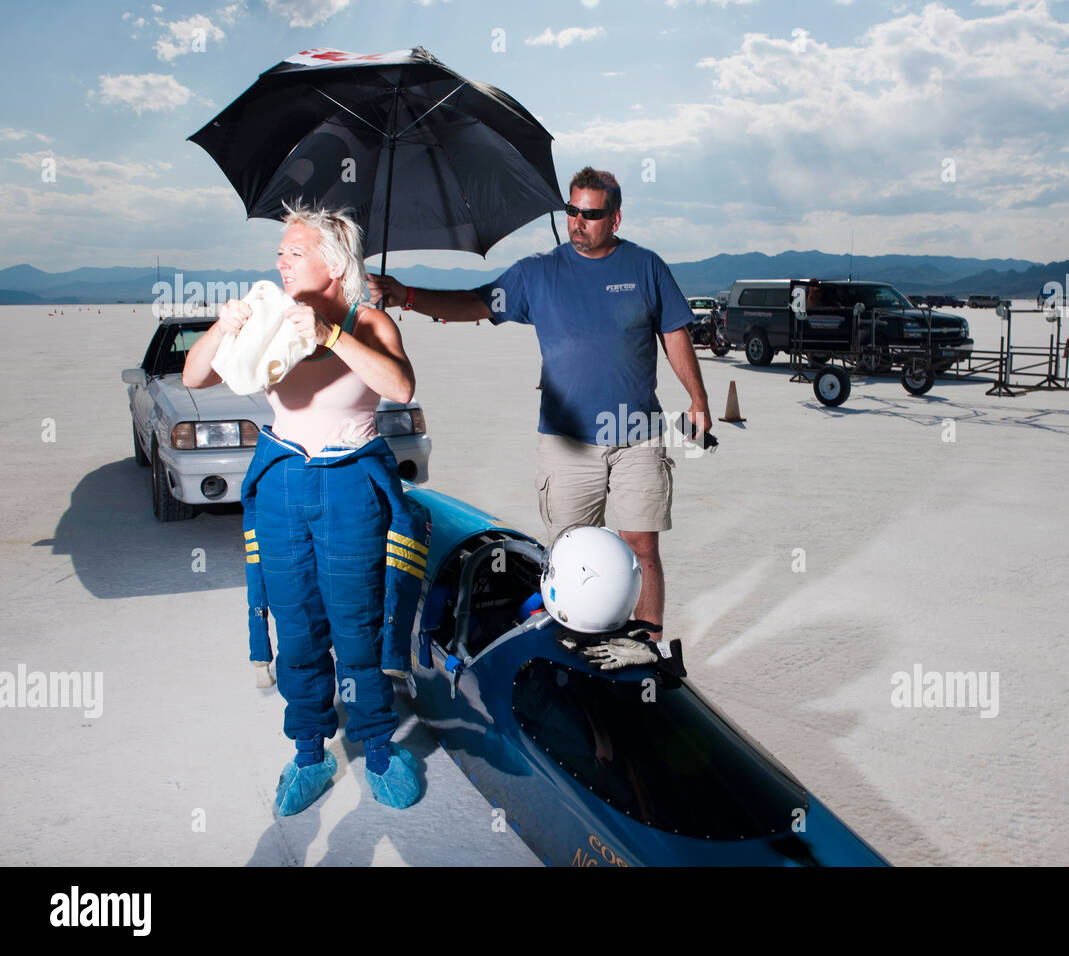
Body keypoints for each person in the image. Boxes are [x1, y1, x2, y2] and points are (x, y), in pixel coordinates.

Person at [367, 167, 709, 674]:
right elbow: (476, 303)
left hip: (637, 436)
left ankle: (650, 648)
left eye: (591, 215)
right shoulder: (537, 274)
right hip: (567, 444)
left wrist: (697, 401)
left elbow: (675, 332)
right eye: (572, 211)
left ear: (615, 217)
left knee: (641, 546)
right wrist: (406, 295)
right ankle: (572, 653)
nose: (578, 223)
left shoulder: (645, 267)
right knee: (572, 554)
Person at [184, 203, 426, 816]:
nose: (280, 260)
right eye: (281, 251)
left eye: (295, 251)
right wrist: (223, 325)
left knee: (356, 624)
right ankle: (310, 751)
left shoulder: (371, 323)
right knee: (296, 628)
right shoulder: (271, 322)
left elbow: (400, 388)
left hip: (350, 486)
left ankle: (376, 747)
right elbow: (195, 375)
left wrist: (333, 334)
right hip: (285, 483)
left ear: (333, 262)